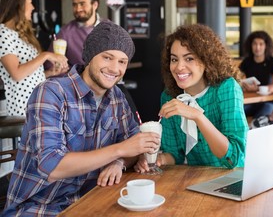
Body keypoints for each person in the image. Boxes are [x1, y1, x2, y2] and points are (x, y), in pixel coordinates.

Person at [2, 21, 160, 216]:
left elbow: (134, 146)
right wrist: (120, 150)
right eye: (107, 57)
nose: (114, 68)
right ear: (89, 56)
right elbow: (52, 166)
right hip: (39, 208)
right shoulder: (51, 92)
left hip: (91, 202)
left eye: (122, 61)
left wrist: (119, 161)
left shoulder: (117, 97)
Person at [134, 24, 248, 173]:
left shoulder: (226, 88)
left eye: (189, 58)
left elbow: (233, 158)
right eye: (174, 59)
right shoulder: (169, 96)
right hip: (194, 179)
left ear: (207, 60)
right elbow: (176, 155)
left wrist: (197, 116)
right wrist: (158, 159)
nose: (179, 67)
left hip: (230, 177)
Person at [0, 0, 68, 116]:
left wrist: (49, 73)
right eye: (30, 2)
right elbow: (17, 74)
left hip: (35, 104)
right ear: (19, 6)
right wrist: (46, 55)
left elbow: (28, 75)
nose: (33, 7)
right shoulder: (3, 33)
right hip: (19, 109)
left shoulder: (21, 35)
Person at [46, 0, 103, 72]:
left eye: (82, 4)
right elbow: (50, 65)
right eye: (75, 5)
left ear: (95, 5)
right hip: (78, 84)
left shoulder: (109, 27)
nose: (78, 9)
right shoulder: (65, 32)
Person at [240, 30, 273, 118]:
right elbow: (236, 78)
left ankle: (253, 129)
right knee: (236, 111)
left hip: (268, 102)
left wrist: (257, 88)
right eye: (254, 44)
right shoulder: (247, 61)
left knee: (262, 115)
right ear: (250, 45)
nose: (257, 47)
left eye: (261, 44)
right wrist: (242, 84)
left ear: (266, 46)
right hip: (251, 102)